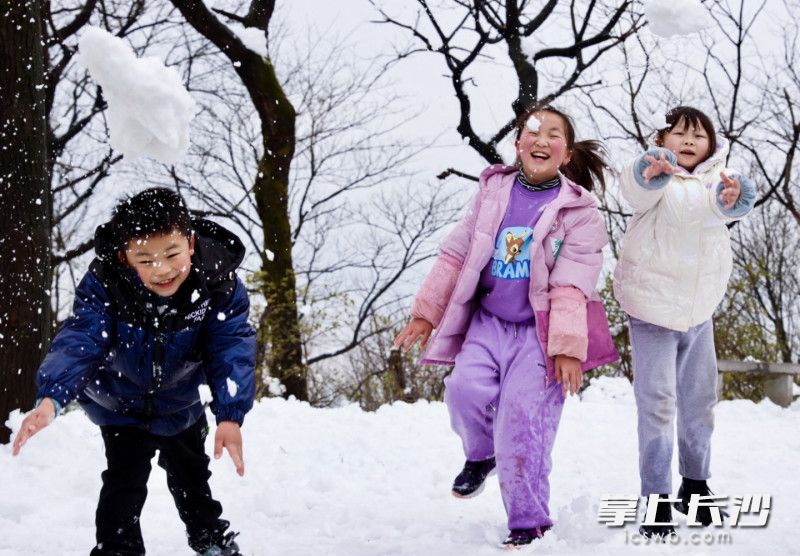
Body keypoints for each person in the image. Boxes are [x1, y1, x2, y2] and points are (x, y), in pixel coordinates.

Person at [394, 105, 618, 547]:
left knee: (522, 424)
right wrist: (427, 310)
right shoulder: (493, 192)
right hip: (488, 323)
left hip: (540, 336)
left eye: (553, 134)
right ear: (518, 145)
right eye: (532, 130)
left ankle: (529, 521)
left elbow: (572, 285)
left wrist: (568, 347)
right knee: (462, 391)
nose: (541, 138)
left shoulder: (580, 214)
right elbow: (456, 254)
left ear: (566, 154)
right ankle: (480, 455)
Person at [12, 188, 256, 556]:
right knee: (123, 481)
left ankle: (209, 537)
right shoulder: (106, 283)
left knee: (191, 475)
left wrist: (230, 413)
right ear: (126, 258)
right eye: (145, 259)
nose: (161, 270)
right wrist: (53, 397)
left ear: (190, 243)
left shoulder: (216, 282)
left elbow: (231, 346)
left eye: (172, 254)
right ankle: (117, 548)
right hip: (120, 402)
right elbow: (83, 337)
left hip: (179, 402)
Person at [613, 106, 756, 539]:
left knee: (699, 403)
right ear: (664, 139)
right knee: (656, 405)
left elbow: (730, 207)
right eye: (679, 133)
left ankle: (695, 485)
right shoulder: (657, 178)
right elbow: (632, 190)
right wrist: (648, 169)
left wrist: (736, 197)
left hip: (698, 312)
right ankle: (656, 498)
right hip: (652, 309)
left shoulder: (718, 181)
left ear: (712, 146)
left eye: (698, 135)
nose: (689, 140)